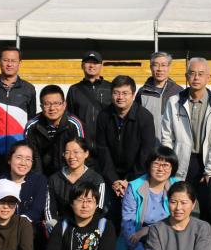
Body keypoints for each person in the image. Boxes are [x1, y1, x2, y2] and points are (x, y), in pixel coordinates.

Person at [95, 75, 155, 218]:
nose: (120, 97)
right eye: (116, 93)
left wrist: (129, 180)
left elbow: (146, 152)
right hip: (111, 177)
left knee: (134, 216)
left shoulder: (144, 117)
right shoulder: (104, 116)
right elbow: (102, 149)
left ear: (133, 95)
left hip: (137, 176)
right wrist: (114, 180)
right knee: (110, 216)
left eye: (125, 93)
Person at [160, 57, 211, 186]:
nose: (196, 78)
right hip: (180, 161)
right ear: (186, 76)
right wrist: (168, 164)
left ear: (208, 77)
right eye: (192, 73)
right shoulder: (174, 102)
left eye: (201, 74)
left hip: (207, 161)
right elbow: (167, 136)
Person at [0, 46, 37, 182]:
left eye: (13, 61)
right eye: (6, 60)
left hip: (18, 151)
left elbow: (31, 120)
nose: (9, 64)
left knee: (18, 187)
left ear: (19, 63)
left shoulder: (28, 89)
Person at [118, 147, 180, 250]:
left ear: (172, 168)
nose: (160, 169)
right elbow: (127, 223)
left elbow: (180, 219)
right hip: (138, 240)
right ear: (149, 165)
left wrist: (149, 229)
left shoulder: (177, 186)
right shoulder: (134, 187)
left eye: (166, 165)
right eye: (156, 164)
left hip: (168, 238)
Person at [44, 137, 107, 233]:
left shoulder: (96, 179)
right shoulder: (54, 179)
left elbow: (99, 209)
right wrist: (56, 232)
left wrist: (83, 233)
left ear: (86, 153)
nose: (71, 156)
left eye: (76, 152)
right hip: (61, 229)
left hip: (88, 230)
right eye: (67, 152)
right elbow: (49, 210)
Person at [24, 84, 85, 176]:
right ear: (41, 106)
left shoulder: (74, 124)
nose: (52, 108)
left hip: (68, 175)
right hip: (42, 175)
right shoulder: (32, 126)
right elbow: (33, 157)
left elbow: (79, 156)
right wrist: (39, 180)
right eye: (47, 104)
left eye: (56, 103)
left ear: (64, 105)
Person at [134, 51, 183, 144]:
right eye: (155, 65)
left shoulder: (178, 92)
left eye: (163, 65)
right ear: (151, 67)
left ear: (169, 67)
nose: (160, 69)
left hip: (171, 145)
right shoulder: (142, 92)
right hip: (147, 144)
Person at [66, 51, 112, 146]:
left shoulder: (110, 88)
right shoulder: (74, 89)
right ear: (82, 65)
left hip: (106, 141)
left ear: (101, 66)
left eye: (95, 63)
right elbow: (69, 117)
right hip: (82, 142)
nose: (91, 66)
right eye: (88, 62)